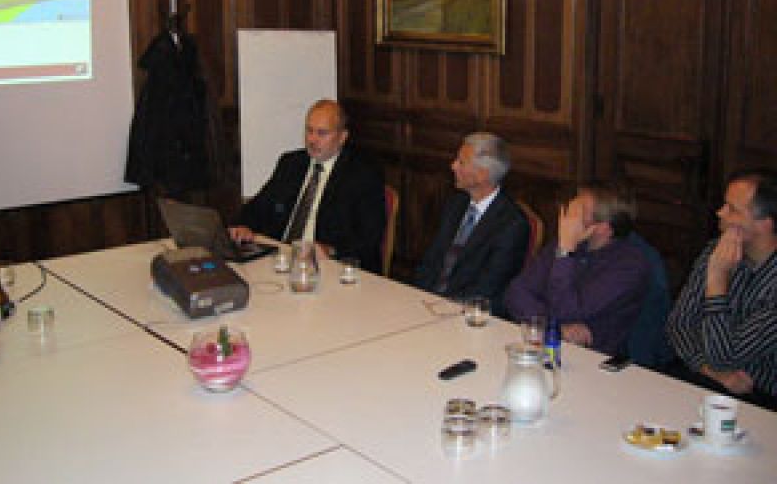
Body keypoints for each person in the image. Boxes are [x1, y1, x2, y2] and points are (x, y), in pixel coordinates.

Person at [229, 99, 386, 273]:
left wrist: (331, 250)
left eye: (322, 133)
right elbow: (259, 205)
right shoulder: (291, 163)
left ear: (342, 137)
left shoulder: (363, 175)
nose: (312, 140)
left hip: (331, 266)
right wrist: (243, 224)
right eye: (309, 131)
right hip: (283, 258)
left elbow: (369, 236)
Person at [666, 169, 777, 406]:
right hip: (704, 377)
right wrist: (709, 371)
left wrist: (717, 279)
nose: (720, 213)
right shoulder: (717, 249)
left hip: (760, 399)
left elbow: (723, 358)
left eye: (732, 209)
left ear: (765, 224)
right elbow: (678, 325)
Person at [505, 183, 650, 356]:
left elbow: (565, 310)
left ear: (602, 228)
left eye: (578, 211)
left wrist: (565, 251)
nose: (567, 217)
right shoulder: (568, 242)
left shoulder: (629, 266)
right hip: (545, 343)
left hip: (595, 358)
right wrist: (554, 328)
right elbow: (516, 292)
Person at [413, 132, 530, 315]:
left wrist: (442, 307)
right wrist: (417, 296)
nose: (453, 166)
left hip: (471, 315)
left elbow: (488, 287)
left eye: (461, 162)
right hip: (430, 304)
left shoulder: (512, 225)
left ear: (482, 174)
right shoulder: (455, 203)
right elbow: (430, 261)